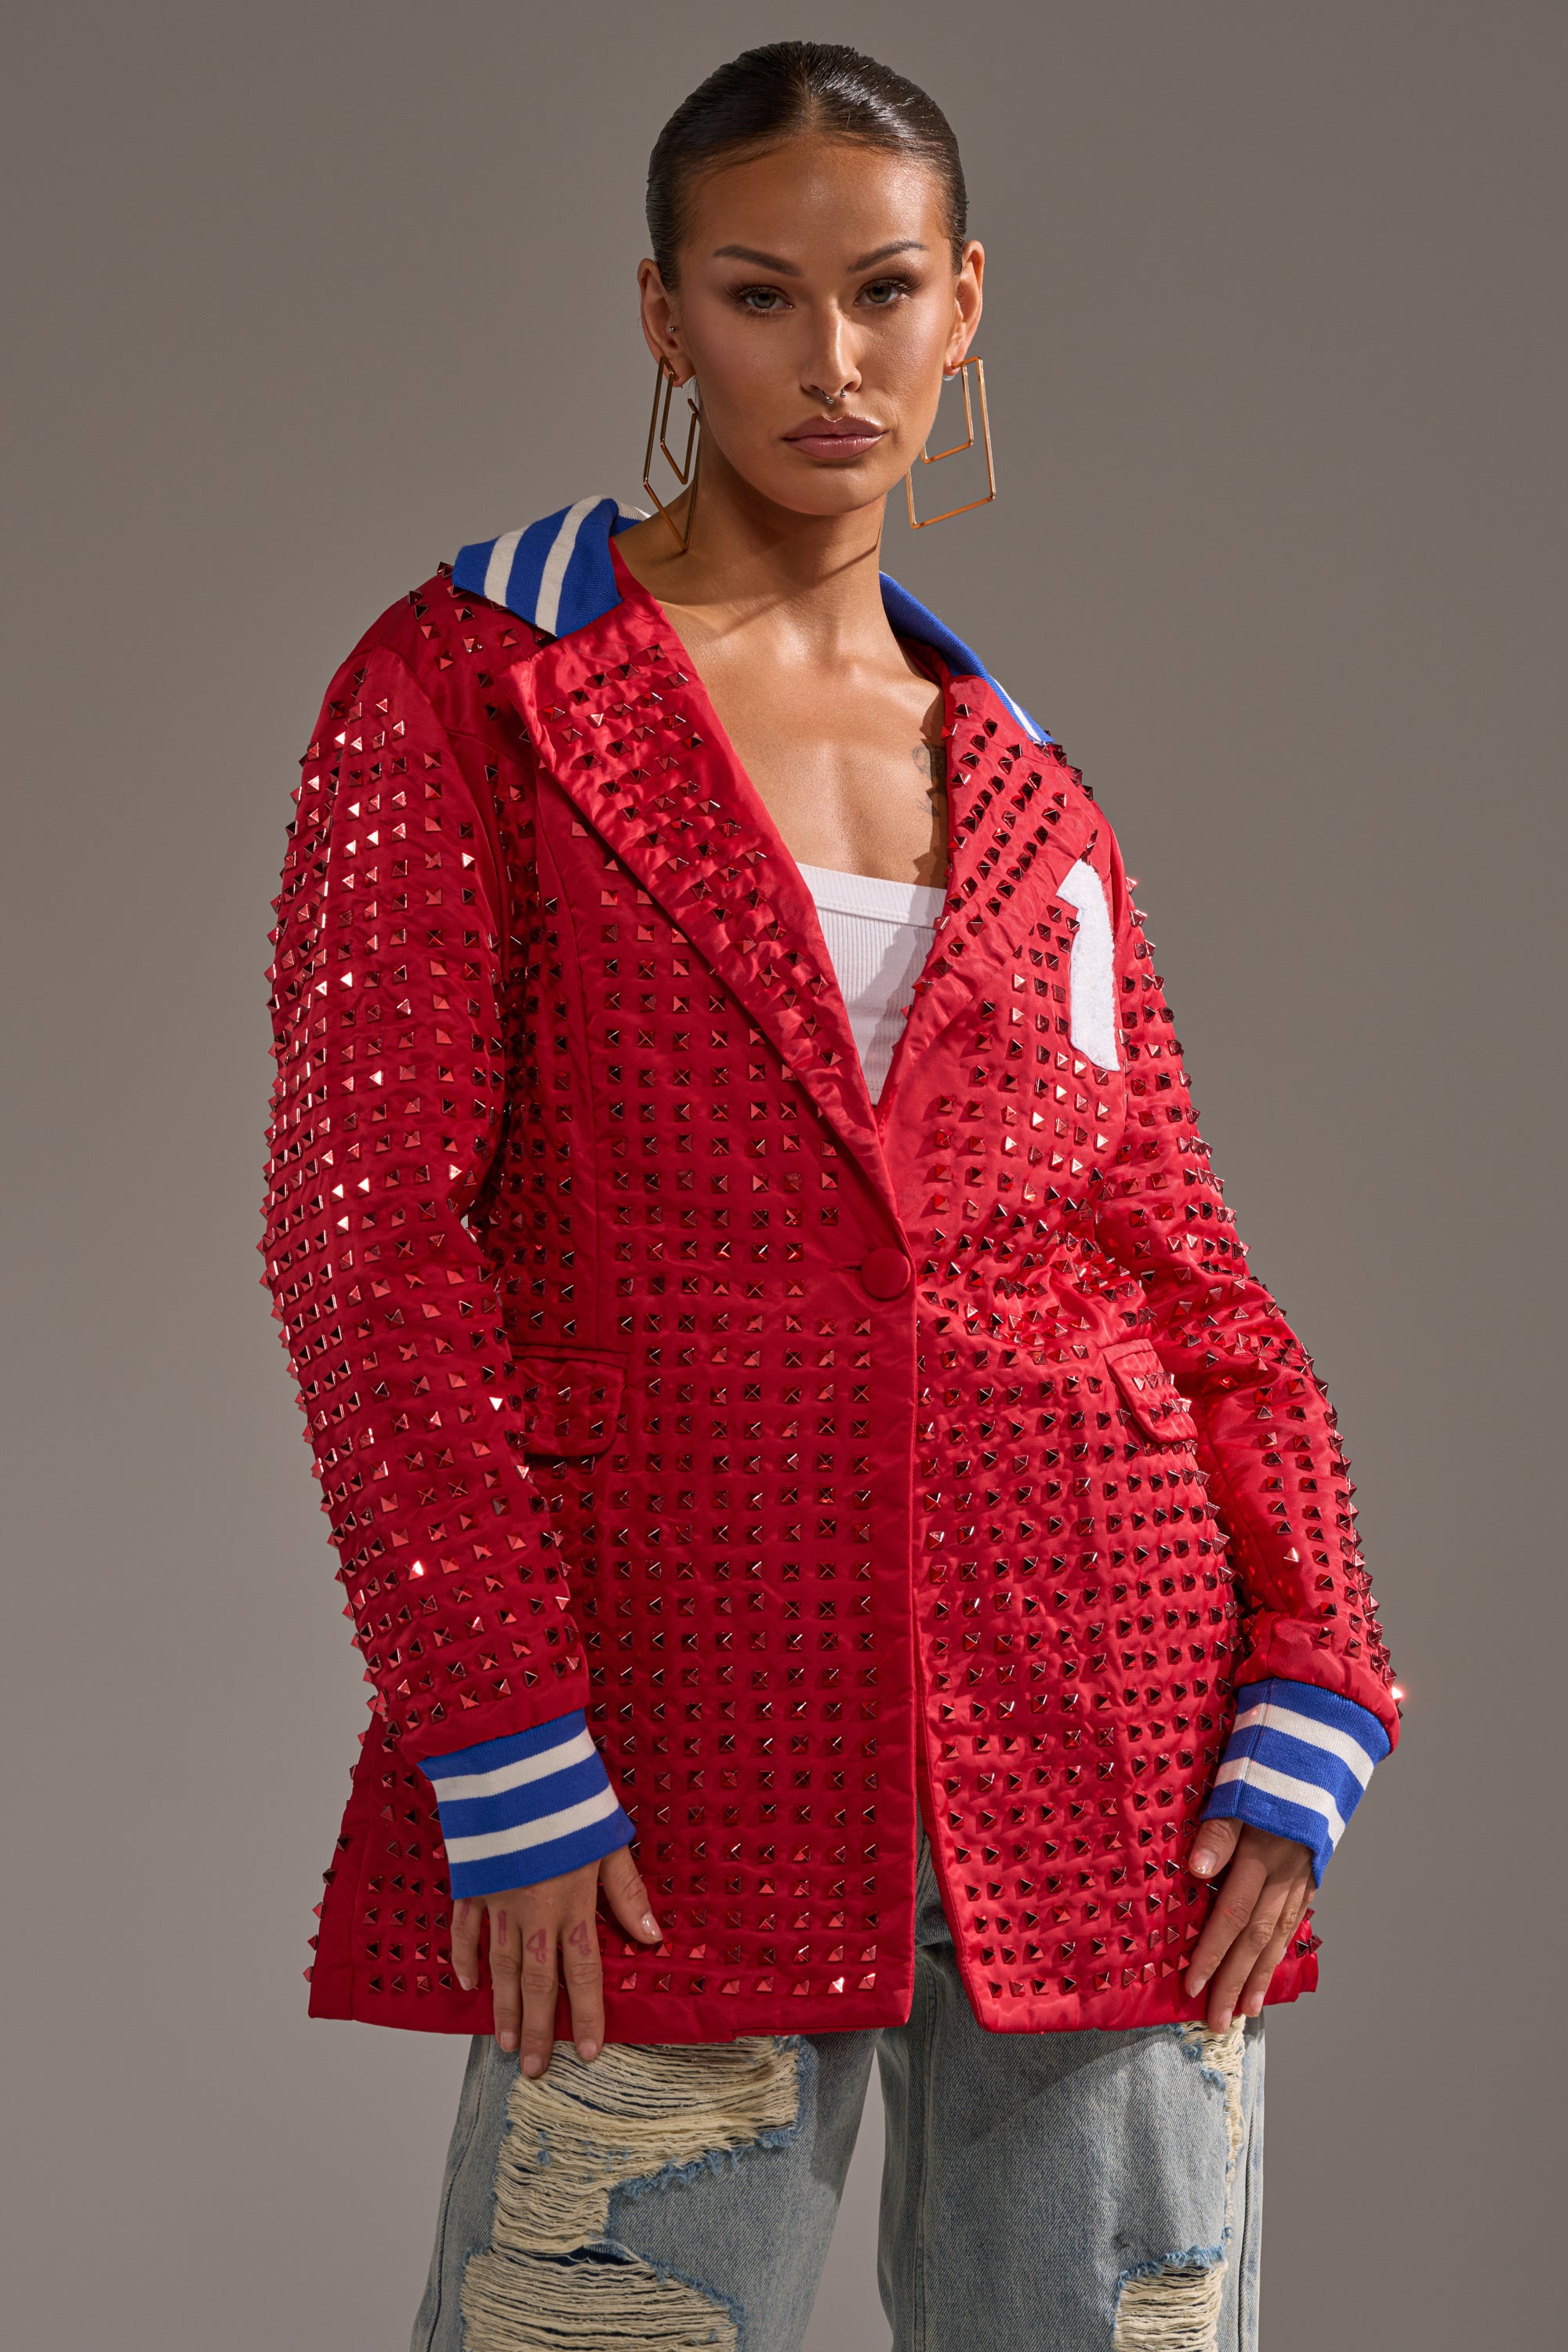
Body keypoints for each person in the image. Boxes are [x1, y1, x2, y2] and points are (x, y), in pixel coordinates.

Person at [261, 40, 1399, 2352]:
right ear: (664, 315)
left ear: (964, 306)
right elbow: (369, 1250)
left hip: (1107, 1741)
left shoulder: (1034, 791)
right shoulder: (477, 689)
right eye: (761, 295)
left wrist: (1318, 1669)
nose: (834, 359)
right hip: (677, 1723)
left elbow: (1181, 1272)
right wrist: (498, 1727)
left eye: (884, 292)